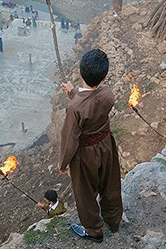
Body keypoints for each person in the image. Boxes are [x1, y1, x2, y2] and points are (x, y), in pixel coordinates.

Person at [59, 49, 122, 242]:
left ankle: (94, 231)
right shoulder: (108, 94)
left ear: (79, 73)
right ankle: (113, 220)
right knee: (110, 184)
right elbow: (93, 103)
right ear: (104, 76)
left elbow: (70, 137)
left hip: (85, 155)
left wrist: (63, 163)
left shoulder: (74, 108)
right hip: (106, 145)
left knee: (85, 193)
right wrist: (74, 94)